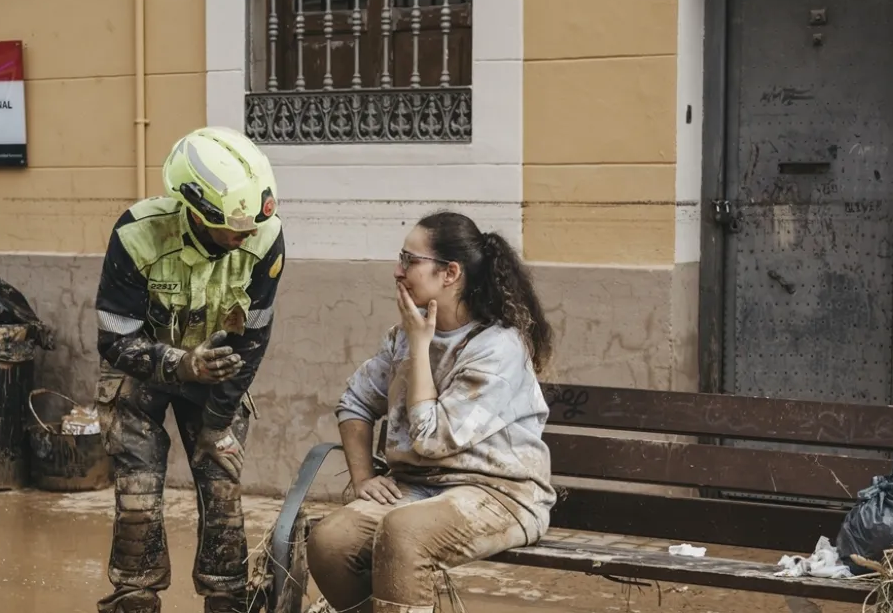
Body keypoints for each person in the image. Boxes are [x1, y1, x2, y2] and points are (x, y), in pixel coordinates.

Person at [305, 211, 557, 613]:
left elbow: (432, 438)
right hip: (419, 487)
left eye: (409, 259)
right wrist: (363, 476)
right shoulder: (406, 335)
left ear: (450, 273)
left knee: (404, 533)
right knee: (329, 540)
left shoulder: (497, 349)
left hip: (500, 494)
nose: (397, 270)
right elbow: (354, 401)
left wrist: (420, 348)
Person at [93, 126, 286, 613]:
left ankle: (228, 599)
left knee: (222, 486)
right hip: (143, 371)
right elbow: (114, 339)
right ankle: (135, 596)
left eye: (252, 225)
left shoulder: (266, 237)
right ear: (195, 212)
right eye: (233, 227)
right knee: (138, 494)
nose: (247, 234)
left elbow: (252, 340)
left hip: (219, 370)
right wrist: (180, 363)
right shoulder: (136, 234)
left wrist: (218, 425)